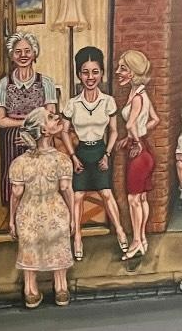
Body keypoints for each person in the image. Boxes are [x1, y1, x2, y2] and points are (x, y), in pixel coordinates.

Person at [61, 47, 128, 261]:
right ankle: (77, 238)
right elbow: (64, 131)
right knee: (78, 196)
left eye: (95, 72)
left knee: (106, 193)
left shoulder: (108, 101)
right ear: (79, 75)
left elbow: (114, 131)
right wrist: (73, 156)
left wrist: (107, 154)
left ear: (102, 73)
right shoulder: (72, 104)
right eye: (85, 72)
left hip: (100, 151)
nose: (90, 77)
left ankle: (120, 232)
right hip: (81, 153)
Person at [9, 107, 74, 308]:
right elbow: (66, 189)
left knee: (30, 244)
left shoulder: (20, 162)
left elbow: (16, 194)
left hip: (29, 210)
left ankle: (31, 290)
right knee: (58, 242)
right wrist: (72, 217)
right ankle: (61, 287)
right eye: (51, 118)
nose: (57, 118)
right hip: (55, 210)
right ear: (44, 130)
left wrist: (11, 220)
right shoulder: (62, 159)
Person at [0, 32, 57, 208]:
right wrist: (26, 124)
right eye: (18, 51)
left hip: (40, 137)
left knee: (40, 177)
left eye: (27, 51)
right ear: (11, 56)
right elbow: (0, 120)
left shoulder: (46, 82)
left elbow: (50, 116)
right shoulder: (3, 84)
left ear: (34, 53)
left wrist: (34, 134)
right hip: (12, 139)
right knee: (16, 180)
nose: (23, 55)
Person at [115, 50, 160, 261]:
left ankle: (135, 242)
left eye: (123, 68)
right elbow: (155, 120)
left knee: (133, 199)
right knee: (141, 198)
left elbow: (130, 124)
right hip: (145, 150)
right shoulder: (140, 92)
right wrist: (136, 136)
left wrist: (134, 139)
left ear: (133, 72)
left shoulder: (137, 98)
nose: (118, 72)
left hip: (139, 153)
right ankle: (141, 240)